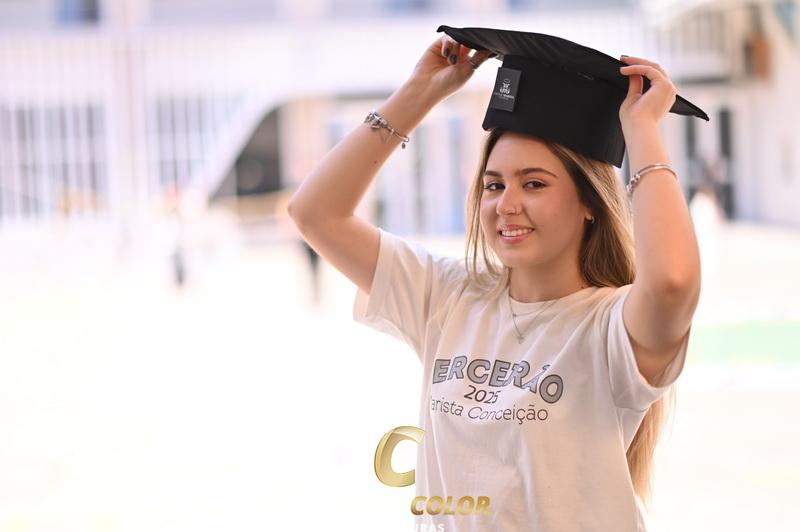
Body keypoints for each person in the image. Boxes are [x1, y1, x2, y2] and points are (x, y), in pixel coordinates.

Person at [288, 25, 704, 532]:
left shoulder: (611, 329)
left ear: (590, 204)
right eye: (493, 185)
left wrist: (643, 132)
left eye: (534, 184)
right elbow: (316, 213)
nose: (507, 204)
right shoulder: (448, 296)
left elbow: (672, 283)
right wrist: (418, 94)